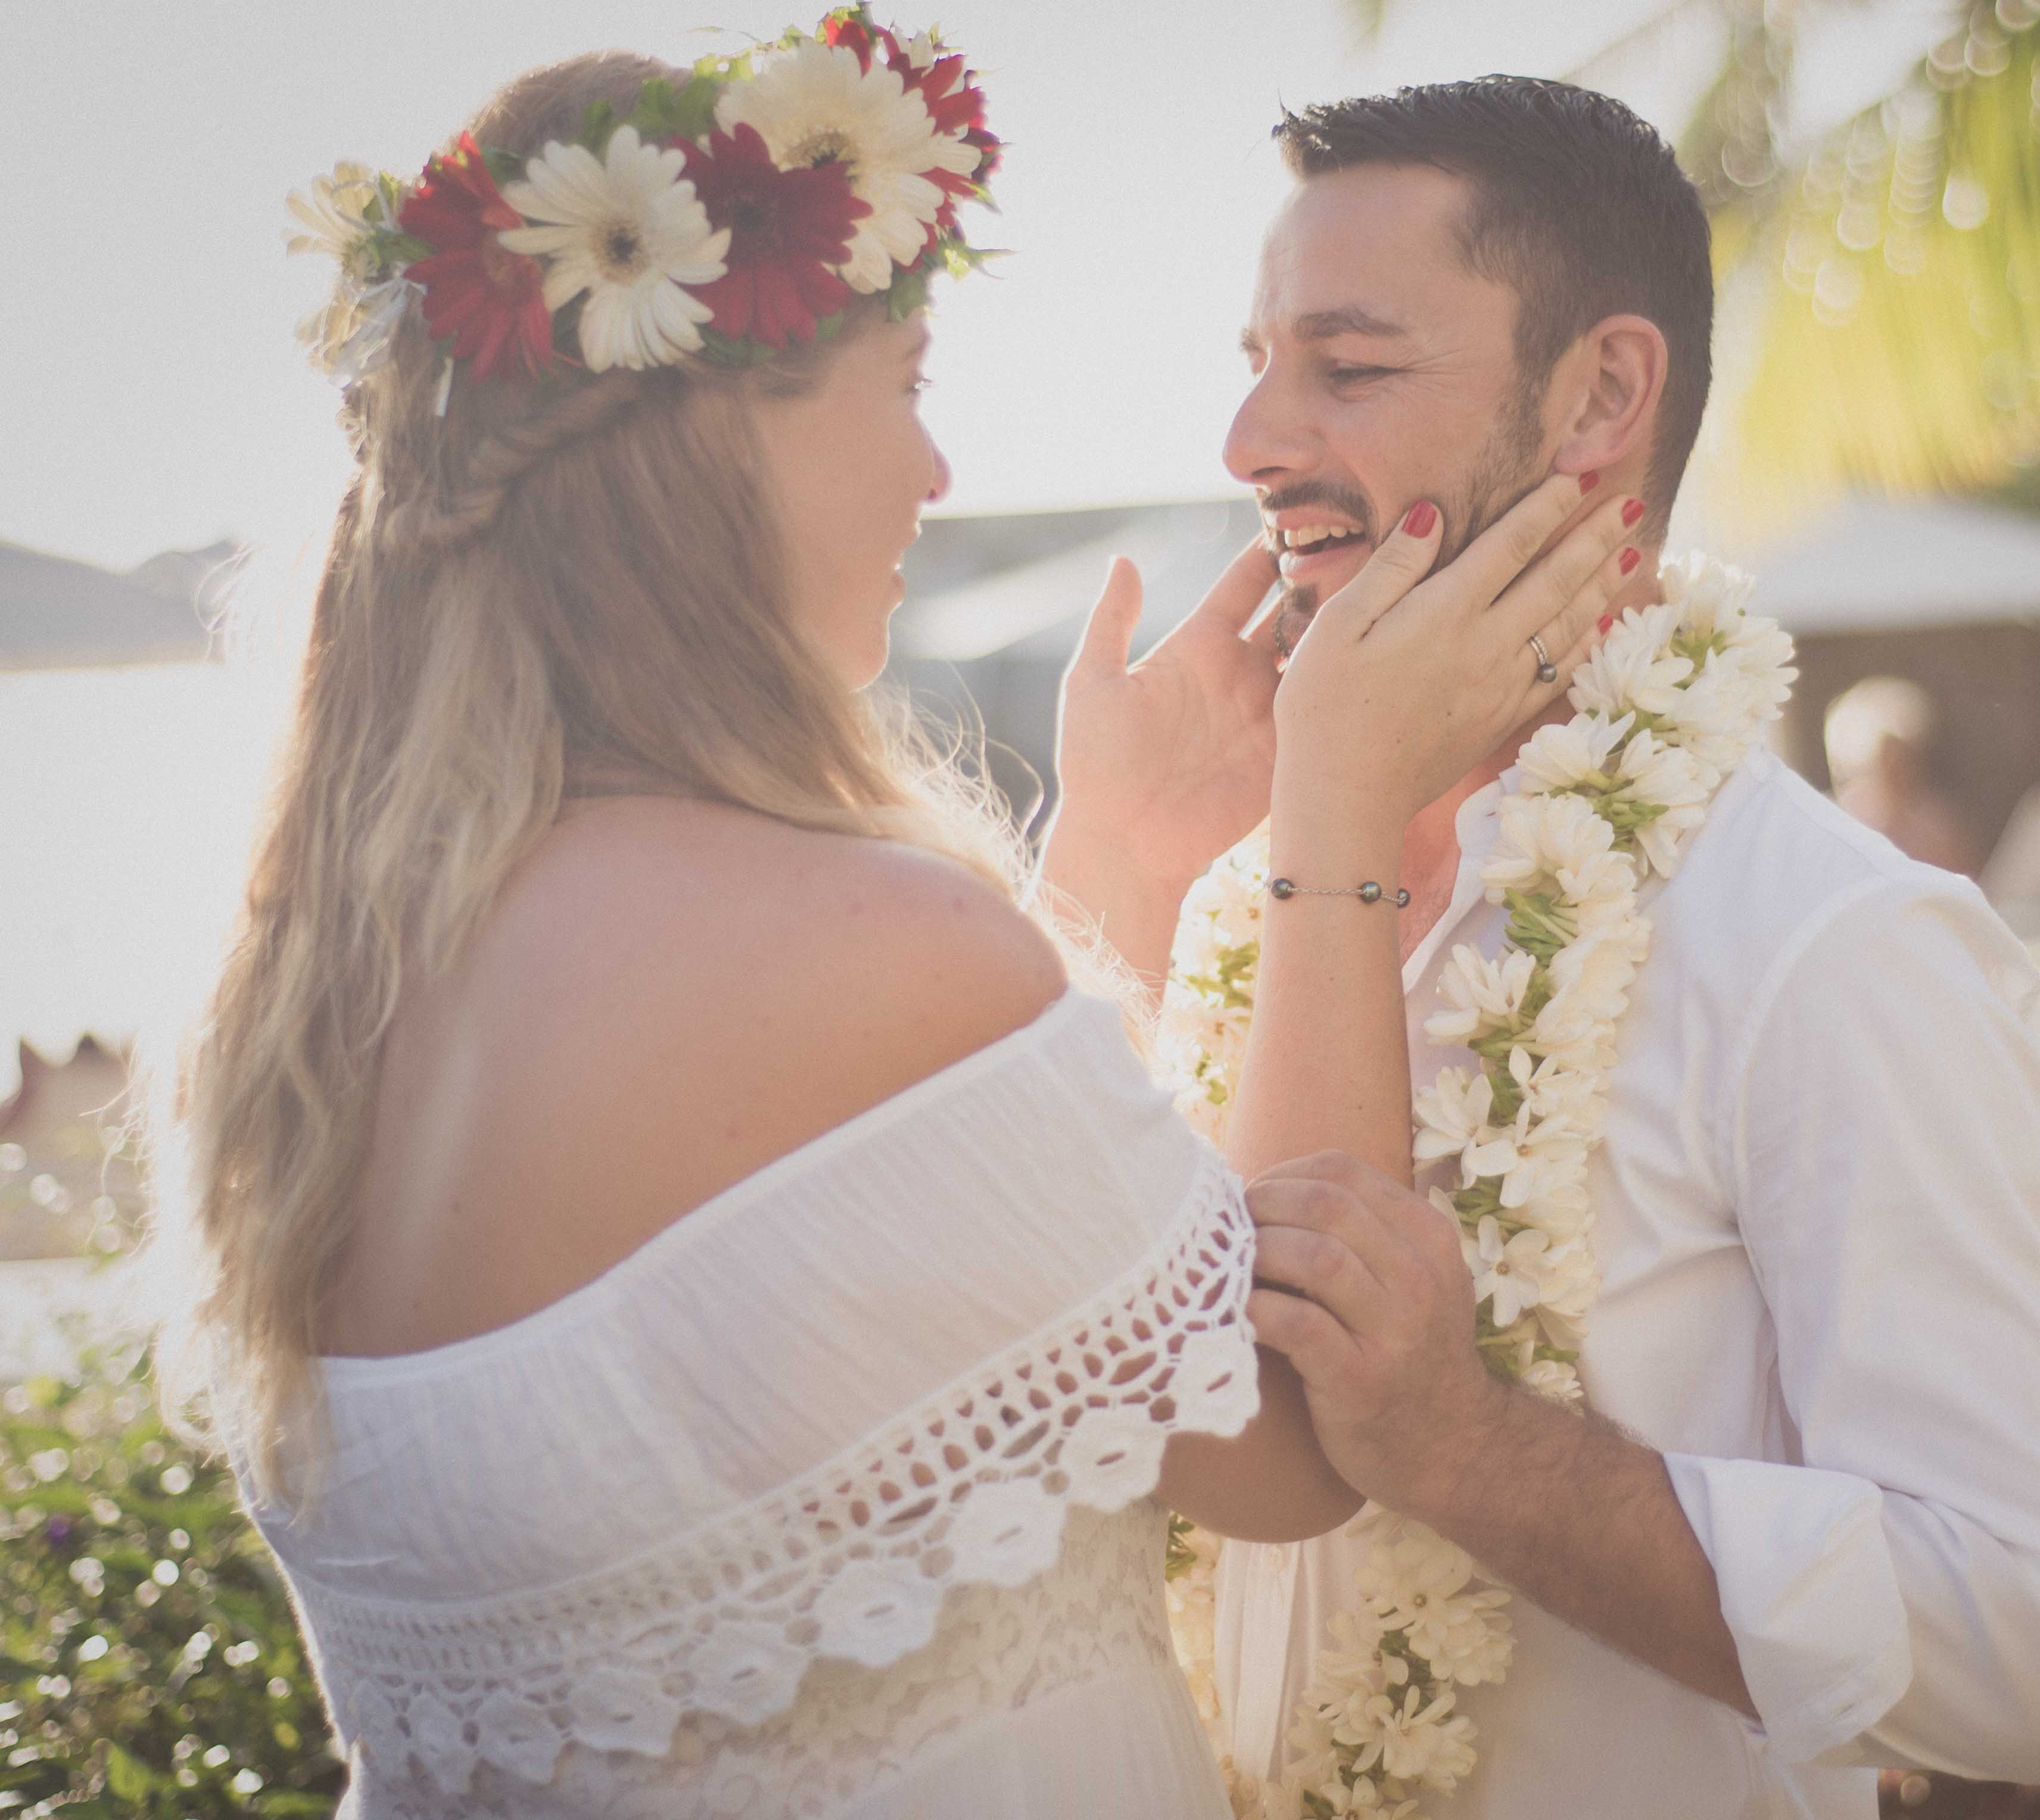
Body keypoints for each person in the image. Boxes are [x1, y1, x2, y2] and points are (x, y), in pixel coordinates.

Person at [157, 22, 1642, 1816]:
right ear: (717, 446)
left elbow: (849, 1307)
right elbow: (1298, 1428)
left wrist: (1115, 853)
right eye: (905, 382)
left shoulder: (316, 1012)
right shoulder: (869, 945)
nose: (936, 474)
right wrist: (1332, 810)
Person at [1182, 80, 2040, 1818]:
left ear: (1601, 393)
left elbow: (2022, 1643)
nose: (1248, 436)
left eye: (1348, 364)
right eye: (1252, 355)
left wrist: (1466, 1447)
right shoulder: (1248, 891)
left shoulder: (1834, 939)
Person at [1821, 675, 1980, 875]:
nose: (1903, 772)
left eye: (1908, 759)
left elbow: (1968, 893)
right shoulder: (1829, 829)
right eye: (1890, 763)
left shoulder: (1934, 828)